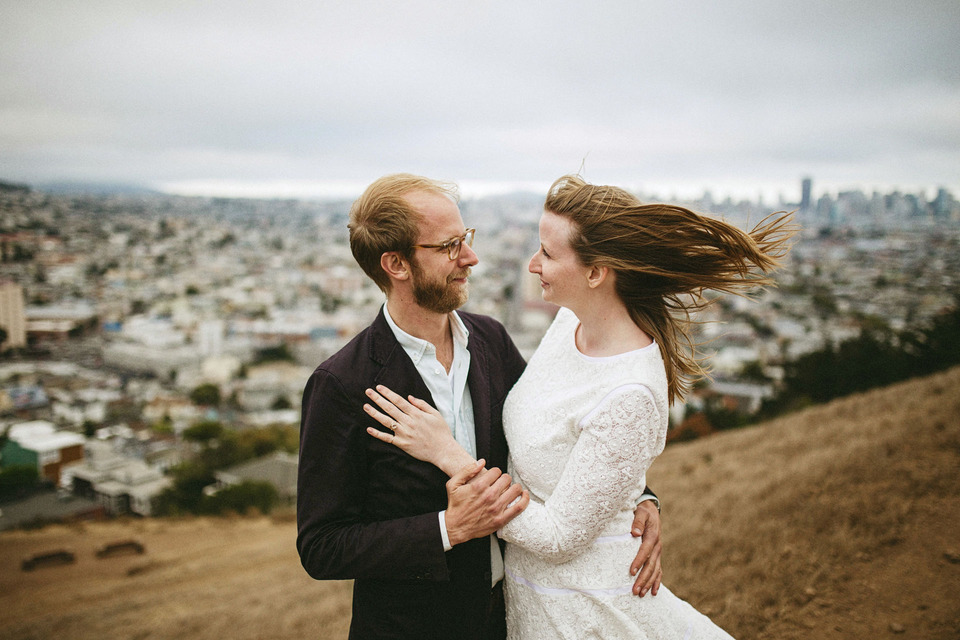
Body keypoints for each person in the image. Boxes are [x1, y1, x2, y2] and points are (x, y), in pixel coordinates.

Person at [363, 174, 795, 639]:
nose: (532, 264)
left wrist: (447, 453)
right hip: (530, 600)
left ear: (595, 273)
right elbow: (566, 440)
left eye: (548, 253)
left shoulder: (631, 392)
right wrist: (638, 495)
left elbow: (559, 535)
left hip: (584, 611)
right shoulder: (568, 323)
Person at [296, 173, 664, 640]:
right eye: (450, 246)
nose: (470, 257)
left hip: (512, 617)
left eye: (465, 238)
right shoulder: (343, 384)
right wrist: (446, 529)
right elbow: (321, 546)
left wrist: (640, 496)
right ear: (396, 264)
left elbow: (554, 433)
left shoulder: (490, 339)